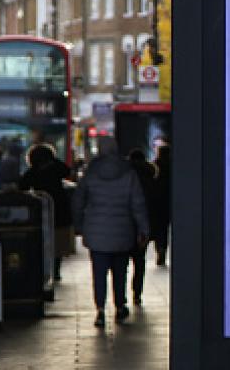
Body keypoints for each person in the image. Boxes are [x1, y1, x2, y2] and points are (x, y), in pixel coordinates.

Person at [72, 136, 150, 327]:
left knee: (98, 273)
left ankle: (99, 310)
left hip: (96, 231)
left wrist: (79, 225)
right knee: (120, 271)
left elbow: (78, 201)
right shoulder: (128, 172)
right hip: (123, 231)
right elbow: (138, 204)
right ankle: (120, 306)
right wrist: (144, 229)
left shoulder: (90, 172)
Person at [18, 143, 73, 281]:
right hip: (60, 209)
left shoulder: (33, 171)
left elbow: (22, 186)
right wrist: (54, 160)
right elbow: (67, 171)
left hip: (41, 209)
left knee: (43, 240)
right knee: (58, 241)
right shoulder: (56, 168)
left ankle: (45, 268)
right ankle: (56, 270)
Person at [127, 147, 157, 305]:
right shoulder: (150, 177)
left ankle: (120, 298)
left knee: (121, 262)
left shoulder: (123, 178)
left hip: (124, 226)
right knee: (139, 261)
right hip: (143, 226)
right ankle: (137, 292)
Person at [147, 144, 171, 267]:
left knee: (160, 229)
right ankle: (163, 250)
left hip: (158, 203)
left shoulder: (155, 166)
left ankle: (160, 250)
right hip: (170, 202)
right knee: (165, 229)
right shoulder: (174, 166)